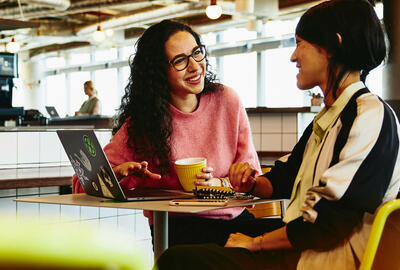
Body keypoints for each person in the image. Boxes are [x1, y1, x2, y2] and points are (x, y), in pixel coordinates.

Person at [155, 1, 400, 269]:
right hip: (306, 250)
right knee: (191, 245)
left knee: (178, 260)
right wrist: (250, 184)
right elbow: (285, 178)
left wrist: (256, 242)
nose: (293, 56)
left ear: (331, 46)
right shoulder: (331, 116)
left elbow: (330, 221)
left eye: (299, 43)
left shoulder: (369, 115)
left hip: (326, 259)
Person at [72, 20, 275, 247]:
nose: (195, 66)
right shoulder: (143, 123)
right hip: (178, 230)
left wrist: (218, 184)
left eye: (197, 53)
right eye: (180, 60)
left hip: (236, 221)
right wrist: (117, 173)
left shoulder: (227, 100)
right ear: (158, 71)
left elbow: (252, 175)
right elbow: (82, 186)